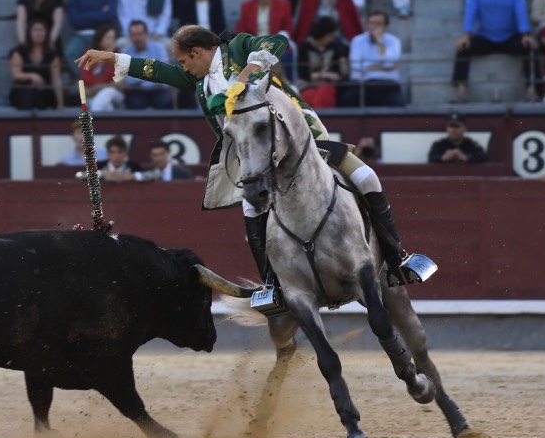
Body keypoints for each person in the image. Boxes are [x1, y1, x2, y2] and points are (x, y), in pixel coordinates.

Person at [76, 24, 435, 290]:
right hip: (255, 157)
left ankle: (398, 257)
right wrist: (112, 58)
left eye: (185, 60)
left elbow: (277, 41)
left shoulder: (238, 48)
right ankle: (273, 285)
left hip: (298, 140)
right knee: (252, 208)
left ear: (199, 52)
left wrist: (247, 74)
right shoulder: (199, 81)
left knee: (366, 177)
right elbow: (161, 72)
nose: (183, 67)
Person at [452, 0, 539, 104]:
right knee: (463, 48)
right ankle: (461, 89)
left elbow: (520, 8)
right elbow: (471, 9)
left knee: (529, 48)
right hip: (486, 35)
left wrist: (525, 33)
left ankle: (531, 89)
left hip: (509, 36)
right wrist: (466, 34)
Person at [65, 0, 119, 76]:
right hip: (80, 35)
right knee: (71, 52)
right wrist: (100, 14)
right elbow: (75, 21)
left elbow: (109, 17)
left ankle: (103, 82)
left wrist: (84, 15)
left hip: (104, 35)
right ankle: (87, 80)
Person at [341, 10, 405, 107]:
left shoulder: (394, 41)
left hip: (387, 85)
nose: (374, 27)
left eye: (378, 24)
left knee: (398, 104)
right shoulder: (358, 40)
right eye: (372, 23)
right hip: (362, 85)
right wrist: (382, 68)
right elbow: (356, 65)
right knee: (345, 100)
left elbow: (389, 63)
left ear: (385, 27)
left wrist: (380, 43)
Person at [9, 18, 64, 110]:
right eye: (35, 30)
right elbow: (16, 74)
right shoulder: (19, 52)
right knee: (31, 92)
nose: (39, 33)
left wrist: (60, 104)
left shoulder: (52, 55)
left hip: (44, 91)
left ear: (46, 33)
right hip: (23, 91)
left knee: (37, 94)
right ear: (29, 33)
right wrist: (32, 76)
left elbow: (56, 80)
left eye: (42, 30)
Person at [296, 16, 349, 108]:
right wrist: (324, 75)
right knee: (308, 96)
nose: (332, 39)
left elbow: (339, 73)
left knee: (325, 92)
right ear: (322, 34)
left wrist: (342, 59)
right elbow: (304, 73)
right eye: (330, 36)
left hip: (328, 84)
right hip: (307, 84)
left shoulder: (335, 47)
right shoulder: (305, 47)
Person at [122, 20, 174, 109]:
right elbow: (128, 80)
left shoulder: (159, 48)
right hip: (137, 91)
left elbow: (163, 72)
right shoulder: (126, 53)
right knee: (133, 103)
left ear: (146, 34)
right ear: (130, 37)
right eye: (134, 35)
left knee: (166, 101)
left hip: (157, 89)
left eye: (140, 34)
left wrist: (138, 73)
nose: (137, 38)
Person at [80, 24, 124, 111]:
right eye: (108, 38)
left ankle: (93, 121)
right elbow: (85, 77)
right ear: (99, 40)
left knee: (107, 92)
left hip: (115, 94)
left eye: (113, 38)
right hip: (92, 95)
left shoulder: (119, 55)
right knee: (107, 107)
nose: (111, 42)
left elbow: (120, 82)